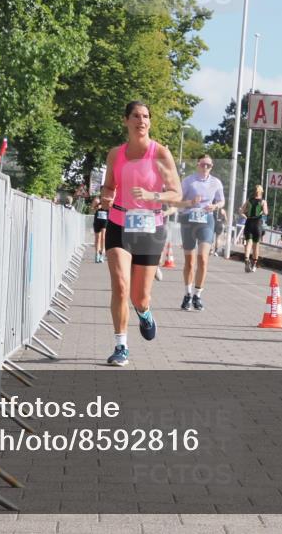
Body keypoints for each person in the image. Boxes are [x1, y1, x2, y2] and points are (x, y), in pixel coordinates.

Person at [100, 101, 182, 366]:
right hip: (119, 222)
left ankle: (145, 313)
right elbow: (109, 187)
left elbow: (176, 193)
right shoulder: (115, 154)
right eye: (135, 116)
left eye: (146, 116)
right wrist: (106, 198)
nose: (141, 121)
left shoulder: (161, 154)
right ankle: (121, 345)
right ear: (125, 120)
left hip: (149, 226)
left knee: (140, 297)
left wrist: (151, 195)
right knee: (121, 285)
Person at [177, 154, 225, 310]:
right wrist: (190, 203)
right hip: (189, 220)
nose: (205, 168)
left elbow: (222, 201)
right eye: (203, 164)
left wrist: (215, 206)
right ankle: (187, 294)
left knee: (203, 259)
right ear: (198, 164)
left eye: (209, 165)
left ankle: (198, 295)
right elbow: (178, 202)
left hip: (206, 220)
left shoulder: (216, 182)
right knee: (190, 262)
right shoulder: (188, 181)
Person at [240, 185, 268, 272]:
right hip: (257, 224)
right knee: (256, 246)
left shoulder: (249, 200)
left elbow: (241, 211)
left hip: (249, 222)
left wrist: (246, 217)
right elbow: (266, 212)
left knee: (248, 243)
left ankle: (246, 259)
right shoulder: (263, 201)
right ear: (261, 192)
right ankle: (254, 264)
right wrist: (261, 212)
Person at [91, 196, 108, 263]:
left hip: (105, 221)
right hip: (97, 221)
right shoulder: (97, 199)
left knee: (103, 237)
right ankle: (97, 254)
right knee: (98, 238)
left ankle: (102, 254)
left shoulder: (108, 199)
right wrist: (96, 207)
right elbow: (92, 209)